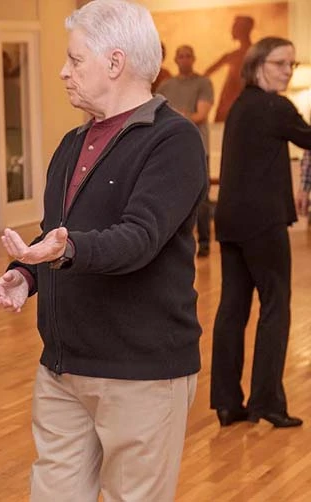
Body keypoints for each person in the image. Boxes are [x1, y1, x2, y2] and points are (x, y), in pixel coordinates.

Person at [0, 1, 207, 500]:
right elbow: (56, 231)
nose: (63, 72)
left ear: (115, 62)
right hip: (63, 368)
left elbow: (139, 239)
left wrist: (61, 253)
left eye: (75, 60)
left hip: (140, 374)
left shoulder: (173, 140)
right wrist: (25, 273)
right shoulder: (72, 142)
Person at [211, 36, 311, 429]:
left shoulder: (241, 104)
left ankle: (226, 402)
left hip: (231, 220)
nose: (288, 71)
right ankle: (267, 402)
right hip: (263, 222)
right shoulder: (276, 106)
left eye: (292, 64)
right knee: (275, 306)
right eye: (280, 64)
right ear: (257, 65)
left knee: (233, 308)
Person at [158, 44, 215, 257]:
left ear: (194, 58)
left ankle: (205, 242)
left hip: (198, 147)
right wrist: (182, 115)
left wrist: (177, 115)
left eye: (188, 56)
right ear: (175, 59)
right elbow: (157, 115)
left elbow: (201, 114)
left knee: (201, 197)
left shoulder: (203, 83)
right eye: (180, 56)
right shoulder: (165, 86)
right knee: (169, 195)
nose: (184, 59)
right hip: (169, 148)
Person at [205, 15, 254, 122]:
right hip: (229, 104)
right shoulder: (232, 55)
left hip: (242, 104)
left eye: (235, 27)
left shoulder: (254, 54)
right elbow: (207, 73)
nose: (232, 30)